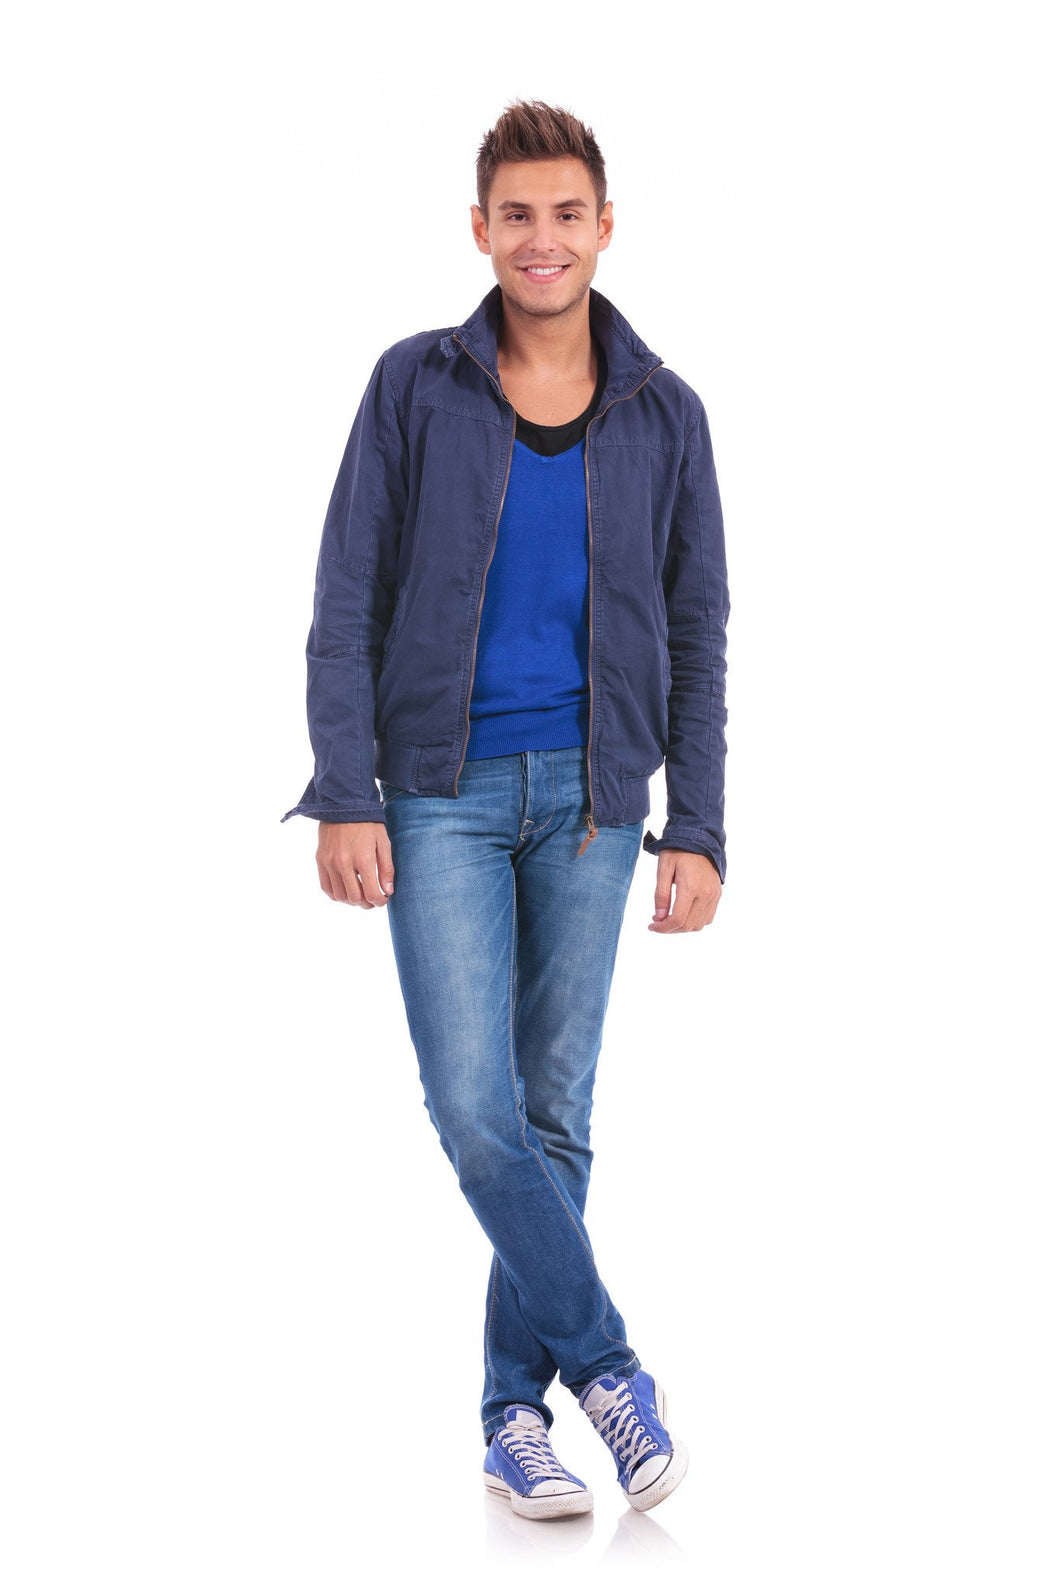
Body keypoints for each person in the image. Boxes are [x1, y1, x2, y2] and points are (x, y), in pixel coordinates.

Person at [283, 100, 729, 1519]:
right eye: (518, 215)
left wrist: (699, 823)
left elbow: (698, 628)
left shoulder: (666, 411)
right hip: (439, 795)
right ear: (480, 231)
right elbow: (346, 597)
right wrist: (345, 791)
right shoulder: (415, 387)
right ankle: (608, 1368)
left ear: (606, 228)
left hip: (596, 802)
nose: (544, 240)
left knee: (553, 1114)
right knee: (477, 1110)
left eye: (567, 214)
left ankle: (509, 1421)